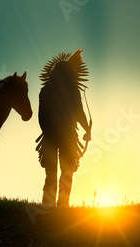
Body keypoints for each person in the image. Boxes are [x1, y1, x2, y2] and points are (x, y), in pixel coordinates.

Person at [36, 49, 91, 208]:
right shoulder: (72, 91)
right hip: (66, 137)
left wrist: (49, 131)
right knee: (64, 173)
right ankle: (61, 204)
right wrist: (87, 129)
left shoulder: (46, 90)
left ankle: (51, 204)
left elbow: (41, 117)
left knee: (53, 173)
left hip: (52, 138)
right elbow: (79, 113)